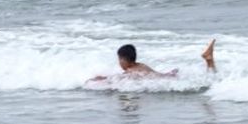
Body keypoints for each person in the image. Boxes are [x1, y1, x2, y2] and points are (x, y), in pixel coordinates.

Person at [88, 41, 216, 82]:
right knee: (210, 79)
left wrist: (102, 79)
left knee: (208, 81)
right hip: (166, 76)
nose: (119, 63)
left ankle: (209, 60)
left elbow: (118, 79)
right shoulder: (140, 65)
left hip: (166, 79)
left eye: (119, 59)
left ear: (123, 60)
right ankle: (209, 61)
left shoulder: (132, 71)